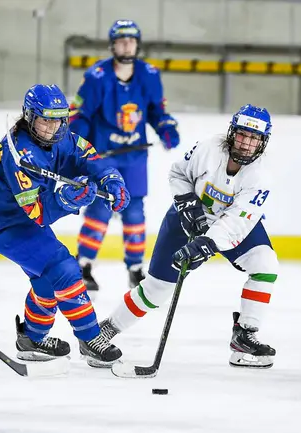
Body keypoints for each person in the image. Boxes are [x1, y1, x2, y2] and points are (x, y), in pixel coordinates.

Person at [100, 104, 279, 369]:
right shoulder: (207, 148)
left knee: (265, 263)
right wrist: (187, 203)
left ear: (262, 142)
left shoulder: (260, 176)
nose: (246, 143)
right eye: (242, 134)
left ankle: (245, 335)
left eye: (254, 138)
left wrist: (206, 243)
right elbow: (178, 174)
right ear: (232, 132)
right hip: (185, 220)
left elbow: (237, 221)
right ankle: (104, 331)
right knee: (156, 290)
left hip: (229, 226)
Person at [0, 84, 130, 367]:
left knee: (47, 279)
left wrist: (111, 178)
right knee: (64, 268)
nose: (51, 127)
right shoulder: (22, 154)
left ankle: (32, 339)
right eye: (45, 119)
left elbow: (88, 157)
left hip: (19, 216)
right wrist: (67, 200)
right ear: (29, 117)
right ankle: (90, 338)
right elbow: (39, 212)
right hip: (0, 222)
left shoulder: (60, 136)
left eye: (58, 119)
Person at [69, 19, 181, 292]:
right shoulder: (97, 76)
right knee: (99, 210)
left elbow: (156, 110)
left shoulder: (149, 74)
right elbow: (81, 115)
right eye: (121, 40)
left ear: (137, 44)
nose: (127, 45)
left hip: (134, 157)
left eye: (131, 40)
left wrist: (165, 126)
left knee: (134, 213)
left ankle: (135, 269)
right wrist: (75, 142)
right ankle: (82, 265)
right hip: (103, 156)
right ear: (113, 45)